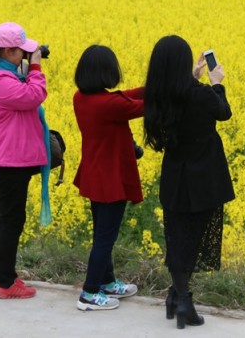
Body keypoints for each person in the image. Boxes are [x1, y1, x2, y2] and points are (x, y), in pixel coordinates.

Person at [143, 35, 235, 329]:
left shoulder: (158, 97)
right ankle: (183, 300)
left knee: (177, 236)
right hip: (205, 177)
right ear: (184, 63)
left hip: (175, 177)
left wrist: (193, 79)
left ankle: (175, 295)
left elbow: (177, 99)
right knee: (192, 239)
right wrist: (216, 81)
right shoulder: (202, 95)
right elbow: (224, 112)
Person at [0, 22, 48, 299]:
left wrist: (25, 69)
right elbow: (34, 95)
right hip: (8, 161)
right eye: (22, 52)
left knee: (2, 217)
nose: (26, 56)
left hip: (2, 158)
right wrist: (36, 68)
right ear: (7, 52)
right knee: (12, 219)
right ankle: (6, 282)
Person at [73, 45, 144, 311]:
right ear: (107, 72)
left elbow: (125, 95)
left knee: (101, 234)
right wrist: (172, 88)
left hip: (95, 175)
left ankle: (107, 281)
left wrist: (156, 85)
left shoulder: (81, 98)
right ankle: (89, 294)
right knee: (105, 238)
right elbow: (140, 105)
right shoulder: (108, 105)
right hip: (110, 180)